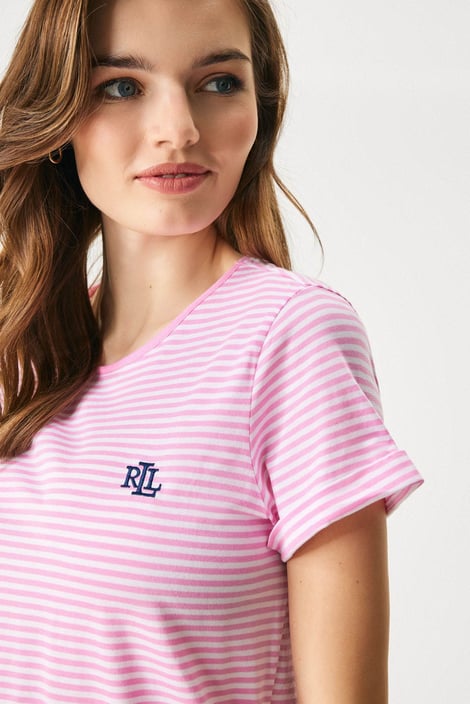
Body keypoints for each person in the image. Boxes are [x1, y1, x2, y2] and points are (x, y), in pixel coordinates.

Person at [0, 0, 423, 702]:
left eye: (219, 82)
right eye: (121, 86)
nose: (180, 130)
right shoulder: (24, 351)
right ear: (57, 116)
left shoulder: (290, 339)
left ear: (261, 108)